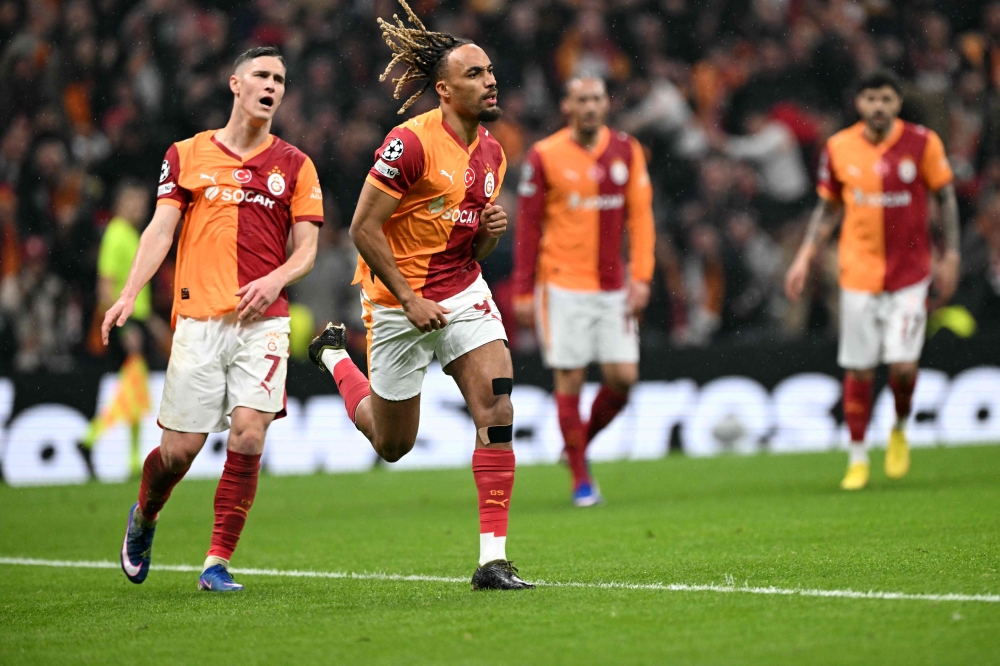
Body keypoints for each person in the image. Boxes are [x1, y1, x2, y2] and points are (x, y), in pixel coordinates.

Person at [307, 0, 533, 591]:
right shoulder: (409, 144)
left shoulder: (494, 153)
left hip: (461, 288)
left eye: (490, 72)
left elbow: (470, 245)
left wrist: (488, 235)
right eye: (474, 74)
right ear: (444, 90)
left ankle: (493, 561)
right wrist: (408, 299)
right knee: (392, 444)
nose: (490, 81)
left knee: (497, 407)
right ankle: (334, 357)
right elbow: (362, 228)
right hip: (396, 303)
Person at [102, 46, 323, 591]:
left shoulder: (295, 164)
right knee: (179, 452)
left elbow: (307, 251)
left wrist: (275, 280)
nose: (271, 86)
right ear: (235, 84)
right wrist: (129, 293)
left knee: (248, 435)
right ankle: (145, 514)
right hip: (199, 318)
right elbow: (160, 229)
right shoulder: (186, 154)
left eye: (280, 80)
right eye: (261, 75)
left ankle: (216, 561)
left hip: (264, 320)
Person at [785, 70, 959, 490]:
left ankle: (898, 427)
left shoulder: (923, 143)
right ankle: (858, 457)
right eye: (870, 98)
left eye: (885, 99)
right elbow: (828, 207)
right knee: (860, 371)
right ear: (858, 103)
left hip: (910, 274)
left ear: (898, 103)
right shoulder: (838, 147)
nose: (878, 106)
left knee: (903, 368)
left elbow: (945, 196)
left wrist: (951, 254)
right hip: (858, 273)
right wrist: (805, 255)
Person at [512, 77, 655, 506]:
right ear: (567, 106)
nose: (590, 107)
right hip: (561, 284)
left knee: (623, 378)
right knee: (570, 377)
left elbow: (641, 218)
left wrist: (642, 276)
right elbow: (527, 227)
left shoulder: (627, 149)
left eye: (596, 99)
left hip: (613, 286)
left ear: (606, 104)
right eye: (582, 100)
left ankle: (577, 444)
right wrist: (523, 290)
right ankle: (581, 479)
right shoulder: (544, 154)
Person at [78, 180, 156, 480]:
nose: (140, 208)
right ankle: (92, 436)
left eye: (143, 203)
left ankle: (129, 456)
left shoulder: (132, 234)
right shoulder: (116, 234)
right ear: (121, 203)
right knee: (133, 390)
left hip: (137, 321)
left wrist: (153, 323)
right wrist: (124, 328)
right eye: (135, 202)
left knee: (134, 391)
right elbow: (105, 289)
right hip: (126, 324)